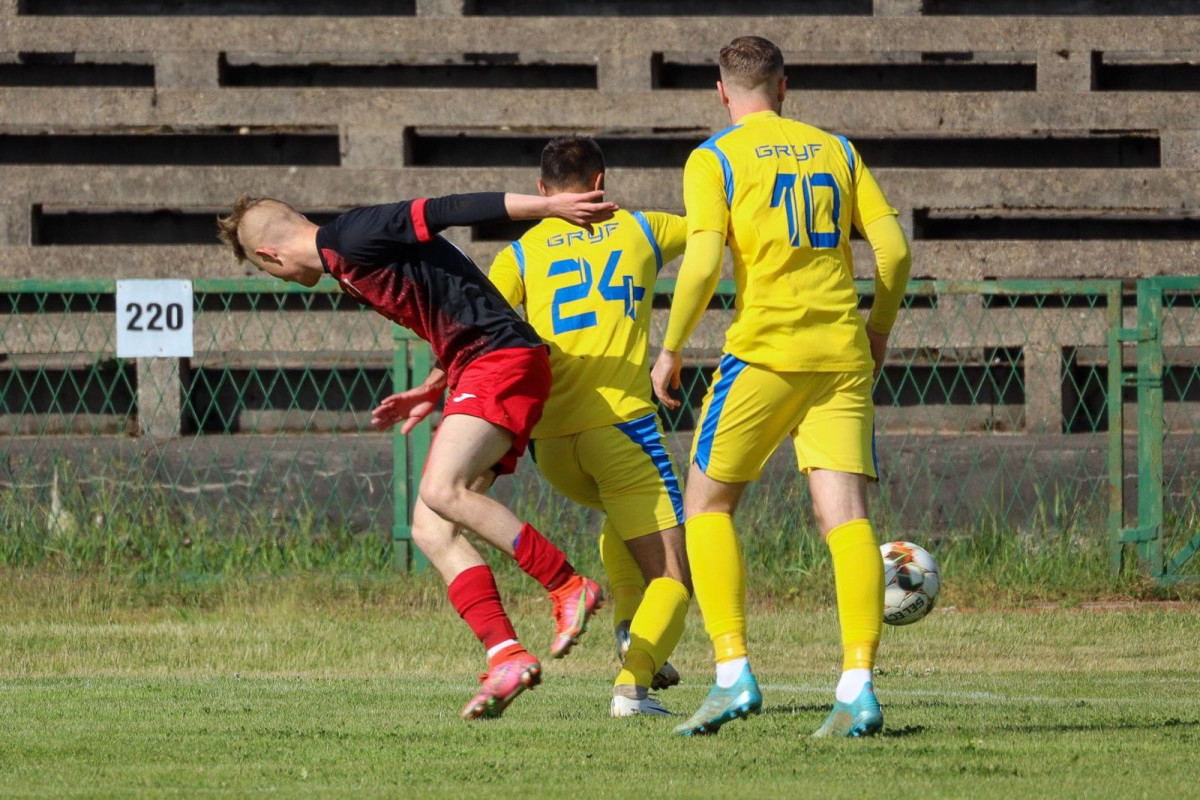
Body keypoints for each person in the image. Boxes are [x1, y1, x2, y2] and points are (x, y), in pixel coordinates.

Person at [217, 189, 617, 720]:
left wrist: (549, 208)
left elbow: (448, 210)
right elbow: (453, 295)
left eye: (266, 270)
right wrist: (433, 384)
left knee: (439, 489)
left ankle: (567, 584)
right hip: (479, 365)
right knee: (431, 527)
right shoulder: (345, 260)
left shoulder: (354, 234)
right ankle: (506, 655)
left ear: (269, 257)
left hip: (499, 360)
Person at [650, 35, 912, 737]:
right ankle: (857, 686)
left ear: (721, 91)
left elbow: (704, 260)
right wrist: (878, 329)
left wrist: (669, 348)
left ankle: (733, 673)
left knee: (706, 503)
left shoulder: (714, 158)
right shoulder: (839, 150)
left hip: (765, 354)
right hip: (842, 354)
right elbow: (894, 250)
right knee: (846, 518)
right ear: (785, 87)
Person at [489, 136, 691, 717]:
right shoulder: (643, 228)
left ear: (540, 188)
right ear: (600, 180)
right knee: (675, 578)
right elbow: (711, 231)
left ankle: (633, 628)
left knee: (620, 526)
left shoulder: (521, 254)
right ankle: (633, 684)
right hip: (621, 428)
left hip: (552, 445)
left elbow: (488, 333)